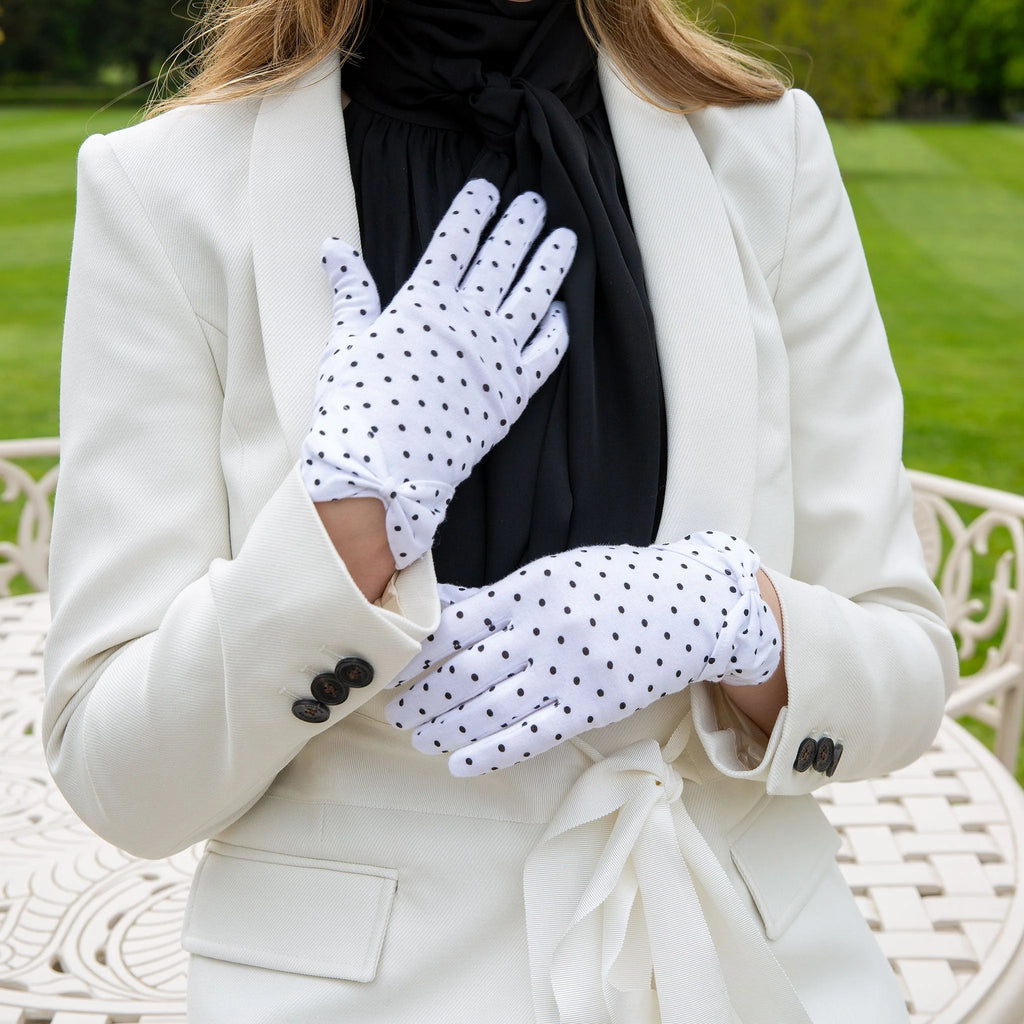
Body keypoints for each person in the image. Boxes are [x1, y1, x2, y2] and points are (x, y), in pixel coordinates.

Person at [42, 0, 959, 1019]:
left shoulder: (763, 151)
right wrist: (346, 522)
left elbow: (905, 667)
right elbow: (115, 771)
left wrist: (730, 618)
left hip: (740, 966)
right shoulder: (162, 189)